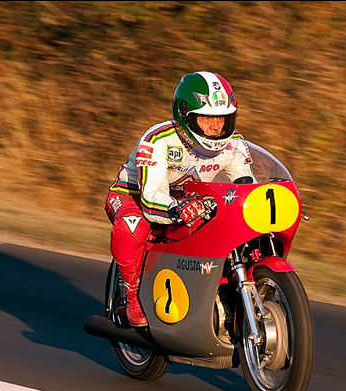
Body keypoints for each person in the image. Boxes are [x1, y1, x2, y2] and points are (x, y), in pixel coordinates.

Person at [104, 71, 255, 327]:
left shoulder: (235, 144)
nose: (216, 127)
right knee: (133, 224)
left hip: (188, 199)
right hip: (134, 196)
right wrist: (177, 208)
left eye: (223, 119)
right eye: (207, 118)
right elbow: (151, 200)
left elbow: (246, 186)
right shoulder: (157, 141)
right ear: (186, 116)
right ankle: (131, 298)